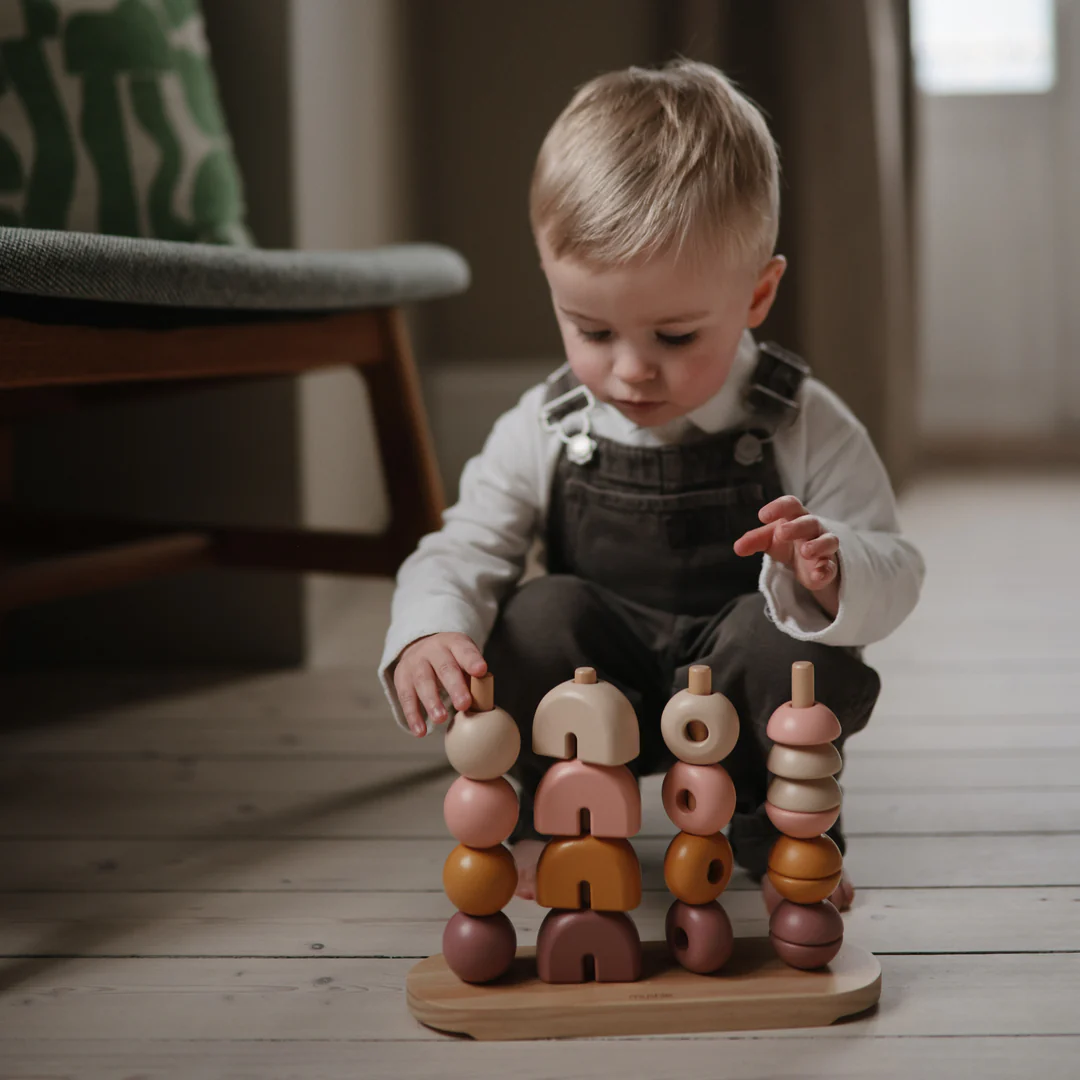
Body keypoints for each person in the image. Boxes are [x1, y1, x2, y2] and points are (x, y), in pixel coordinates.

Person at [378, 59, 924, 912]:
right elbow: (467, 543)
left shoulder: (799, 418)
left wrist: (835, 569)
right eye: (590, 329)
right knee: (533, 616)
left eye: (673, 335)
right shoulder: (550, 421)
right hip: (602, 690)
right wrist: (427, 632)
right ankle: (563, 815)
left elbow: (898, 564)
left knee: (782, 647)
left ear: (758, 293)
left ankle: (777, 823)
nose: (630, 370)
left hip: (742, 691)